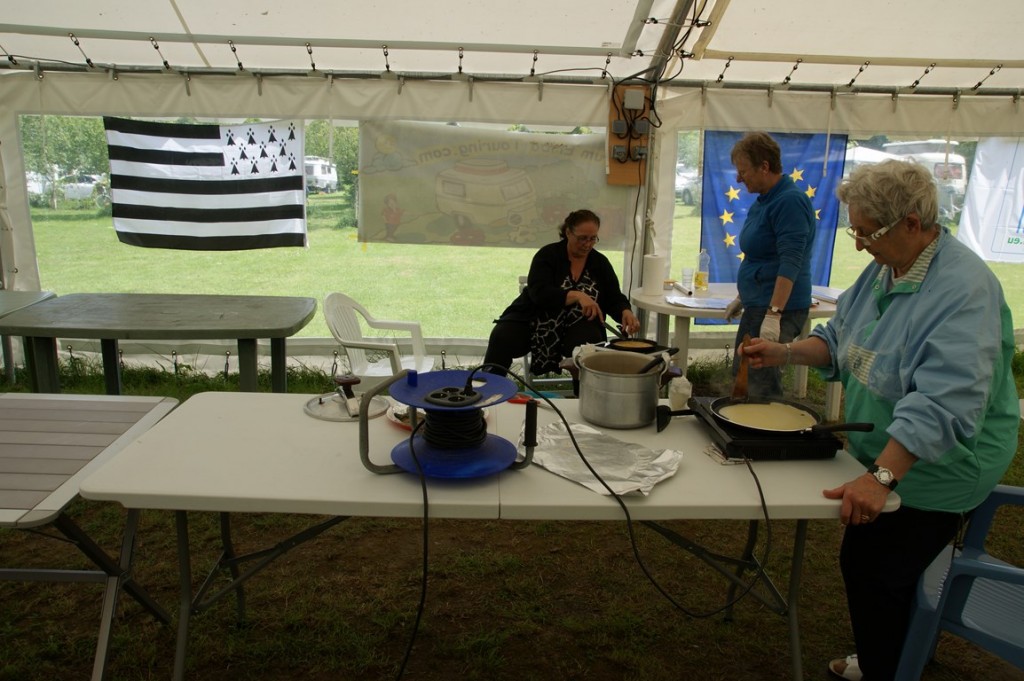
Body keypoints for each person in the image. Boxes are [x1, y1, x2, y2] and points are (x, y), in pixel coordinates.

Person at [743, 159, 1019, 681]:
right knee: (888, 566)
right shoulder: (888, 266)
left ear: (911, 223)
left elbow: (945, 400)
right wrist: (785, 352)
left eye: (867, 233)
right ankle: (903, 649)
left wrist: (882, 476)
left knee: (873, 567)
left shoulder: (964, 290)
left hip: (941, 466)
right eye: (856, 231)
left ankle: (889, 666)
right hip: (890, 453)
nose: (858, 245)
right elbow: (839, 337)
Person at [483, 209, 640, 375]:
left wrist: (625, 311)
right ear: (568, 232)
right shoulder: (547, 255)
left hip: (580, 321)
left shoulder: (600, 263)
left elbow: (613, 297)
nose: (588, 244)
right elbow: (539, 293)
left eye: (593, 238)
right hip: (535, 316)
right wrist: (577, 295)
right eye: (582, 238)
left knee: (588, 346)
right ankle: (490, 386)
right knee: (502, 335)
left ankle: (586, 390)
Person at [724, 131, 816, 398]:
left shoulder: (790, 201)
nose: (738, 179)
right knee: (743, 374)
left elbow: (790, 260)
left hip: (777, 308)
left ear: (764, 166)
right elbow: (760, 255)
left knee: (759, 380)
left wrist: (774, 315)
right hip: (757, 303)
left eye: (743, 171)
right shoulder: (764, 201)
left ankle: (767, 421)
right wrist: (743, 297)